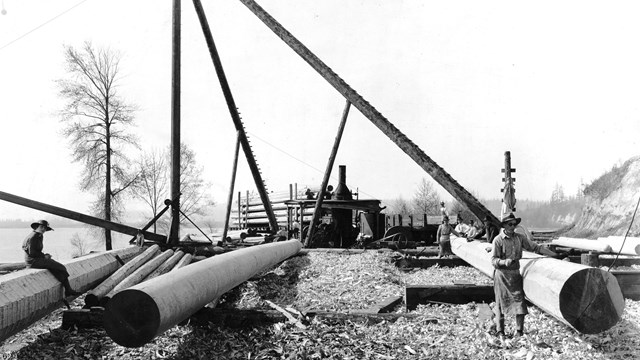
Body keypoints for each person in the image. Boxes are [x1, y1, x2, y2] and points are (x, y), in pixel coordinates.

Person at [490, 213, 558, 337]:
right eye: (510, 224)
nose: (513, 226)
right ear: (504, 225)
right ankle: (500, 331)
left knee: (519, 302)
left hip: (515, 274)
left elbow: (535, 248)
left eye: (514, 224)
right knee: (500, 303)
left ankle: (519, 331)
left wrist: (554, 255)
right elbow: (493, 260)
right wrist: (504, 262)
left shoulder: (520, 238)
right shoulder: (498, 240)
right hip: (502, 275)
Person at [22, 220, 80, 297]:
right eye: (41, 227)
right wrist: (44, 256)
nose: (43, 229)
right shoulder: (33, 237)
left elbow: (36, 251)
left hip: (36, 259)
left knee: (56, 267)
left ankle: (68, 289)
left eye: (45, 228)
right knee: (61, 267)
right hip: (32, 261)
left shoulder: (39, 235)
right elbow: (32, 253)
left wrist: (45, 255)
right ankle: (68, 290)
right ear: (36, 227)